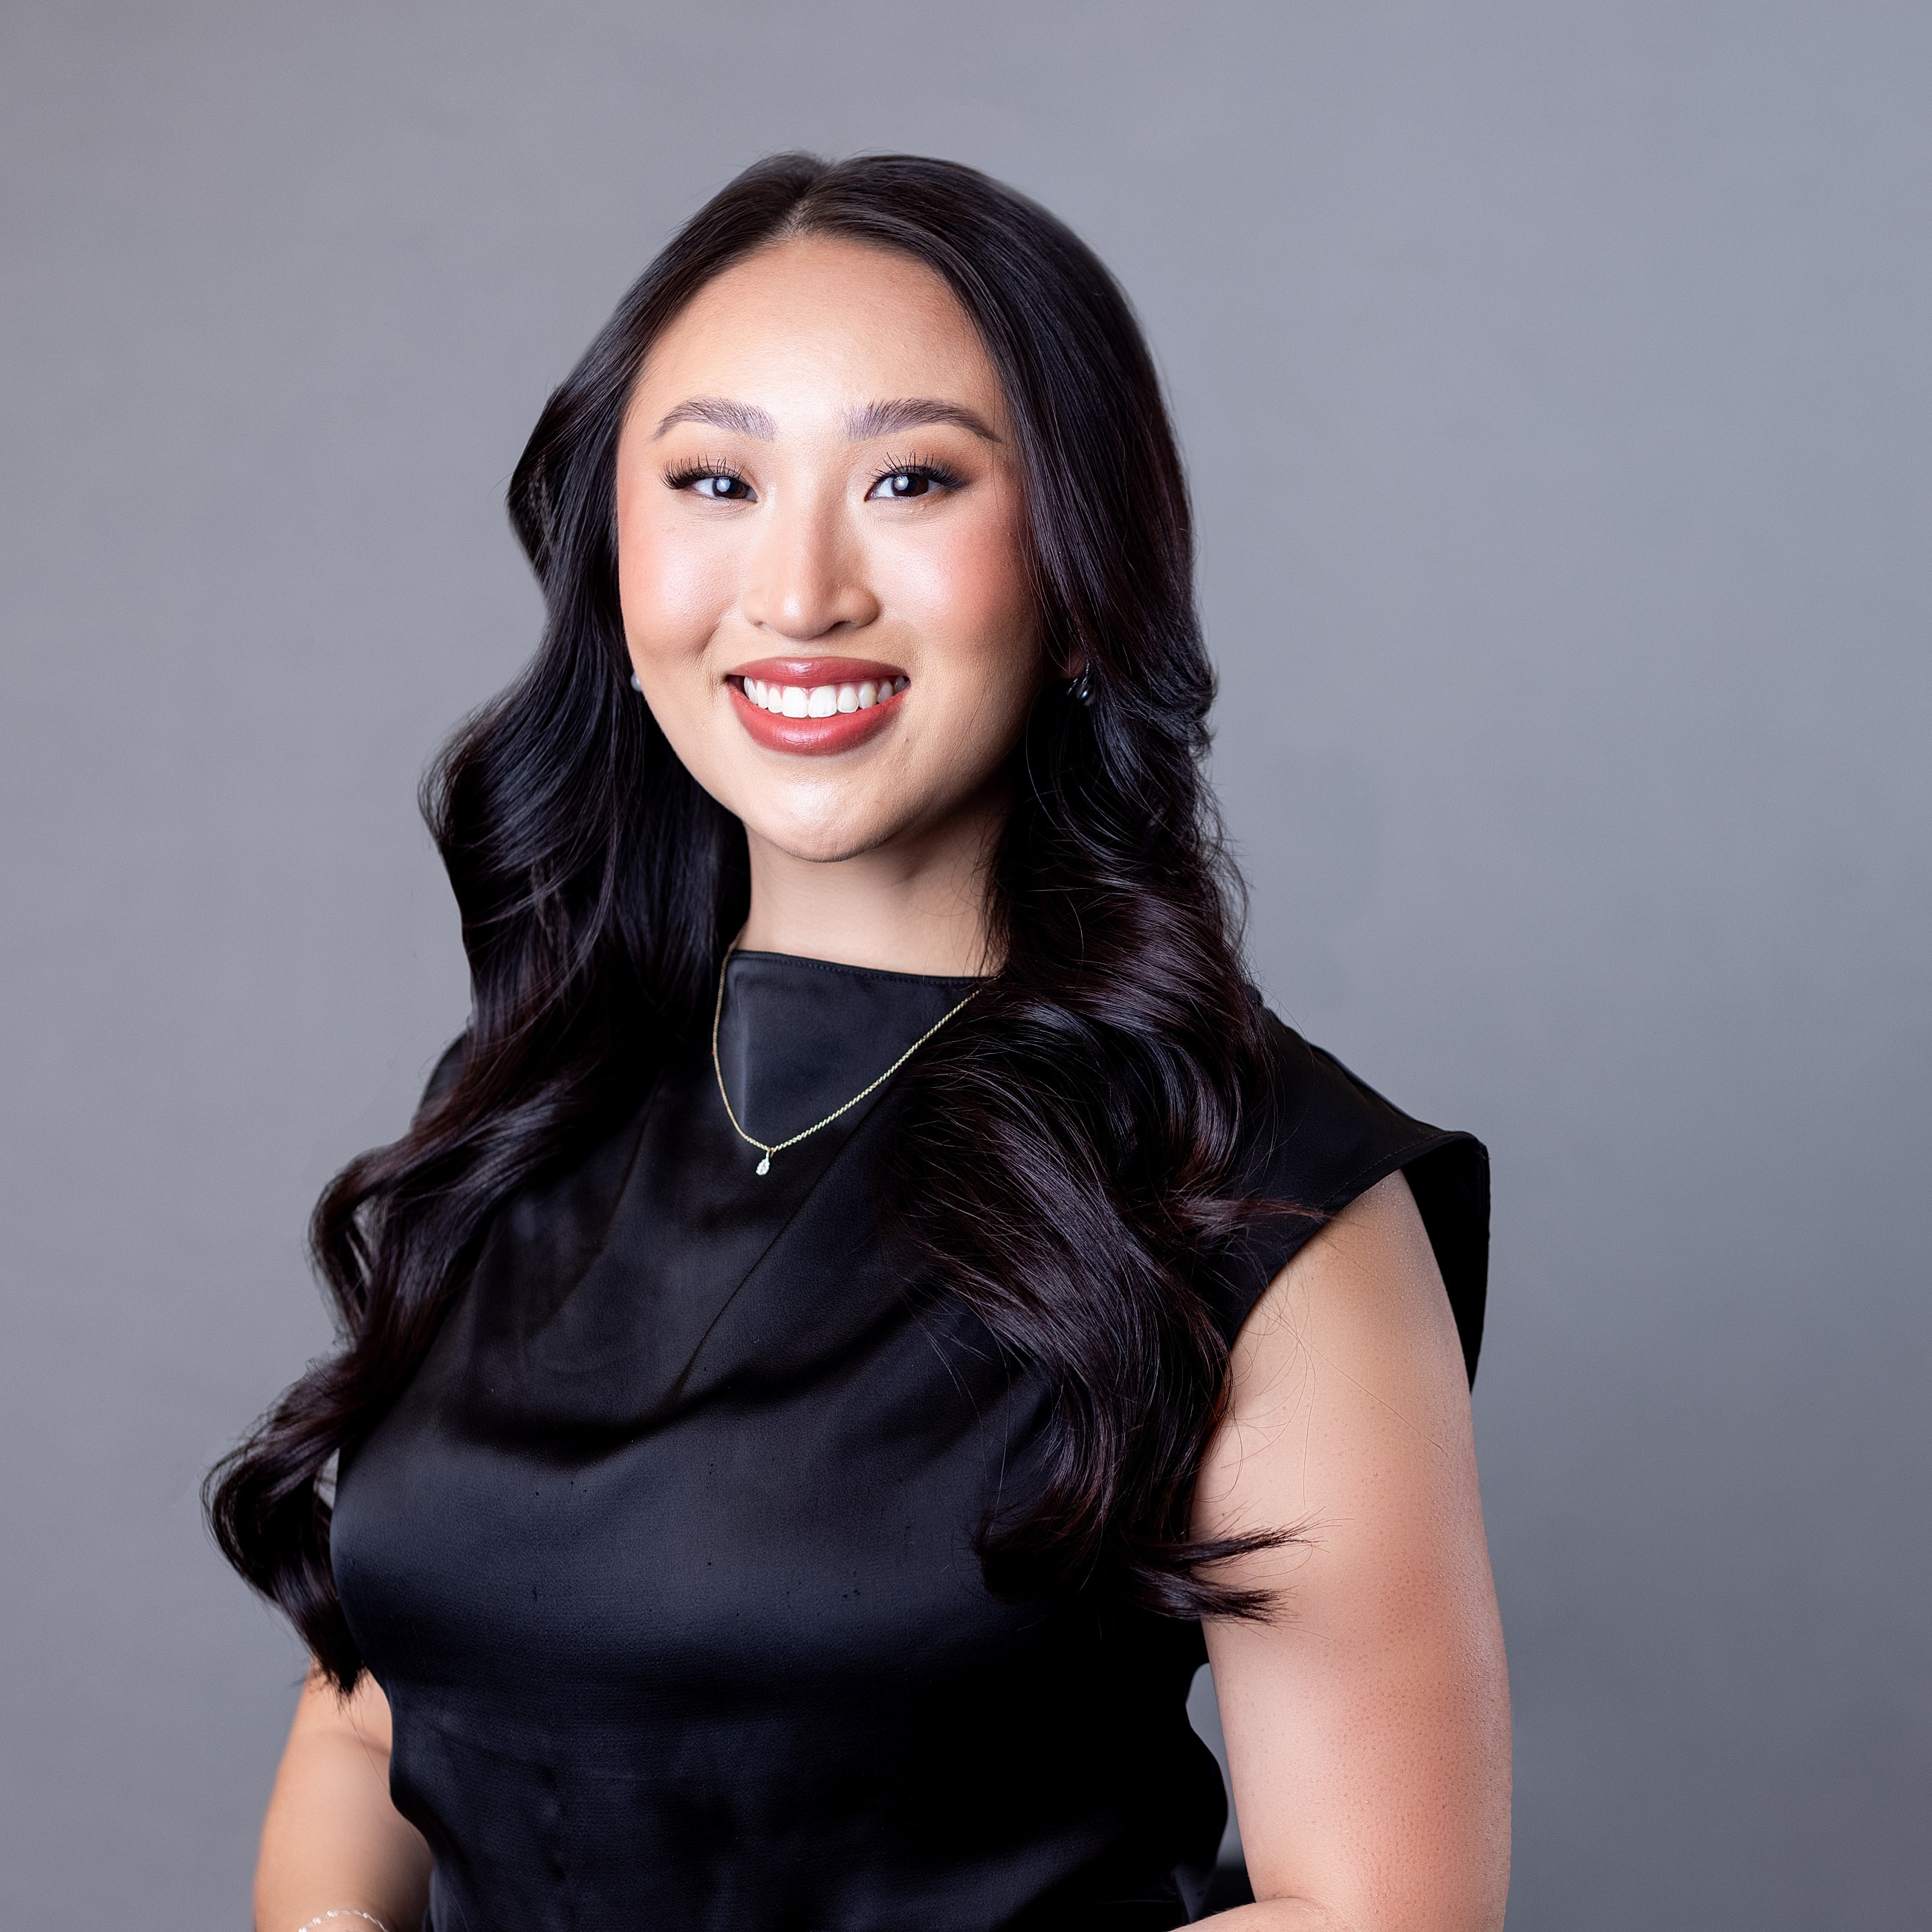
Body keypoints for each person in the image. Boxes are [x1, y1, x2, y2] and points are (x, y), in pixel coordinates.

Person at [209, 152, 1510, 1932]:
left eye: (910, 478)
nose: (799, 588)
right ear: (616, 556)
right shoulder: (517, 1116)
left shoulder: (1266, 1199)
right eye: (715, 480)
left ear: (1074, 565)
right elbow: (377, 1731)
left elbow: (1379, 1916)